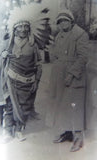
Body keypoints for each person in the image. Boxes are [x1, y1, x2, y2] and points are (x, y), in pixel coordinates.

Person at [0, 5, 48, 141]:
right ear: (14, 29)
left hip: (27, 83)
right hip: (10, 80)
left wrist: (37, 81)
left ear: (29, 28)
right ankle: (8, 131)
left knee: (24, 107)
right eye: (19, 27)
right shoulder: (8, 43)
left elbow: (39, 64)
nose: (22, 29)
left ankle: (19, 128)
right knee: (9, 106)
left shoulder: (33, 45)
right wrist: (3, 55)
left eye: (25, 26)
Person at [49, 9, 89, 152]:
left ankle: (78, 138)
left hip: (74, 76)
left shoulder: (80, 34)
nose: (63, 23)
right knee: (62, 105)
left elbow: (83, 57)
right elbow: (56, 54)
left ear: (71, 21)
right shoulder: (59, 35)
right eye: (60, 21)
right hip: (60, 75)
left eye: (65, 20)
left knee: (75, 106)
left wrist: (71, 74)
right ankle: (67, 132)